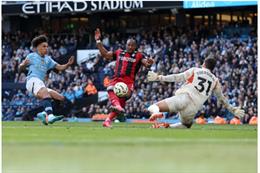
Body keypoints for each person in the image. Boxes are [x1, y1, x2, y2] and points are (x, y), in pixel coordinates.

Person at [147, 56, 245, 128]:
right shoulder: (215, 81)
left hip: (184, 98)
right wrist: (233, 110)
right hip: (193, 108)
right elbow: (222, 99)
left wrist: (159, 77)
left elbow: (177, 77)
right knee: (186, 125)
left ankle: (158, 112)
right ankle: (167, 127)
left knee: (153, 107)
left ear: (204, 64)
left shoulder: (195, 70)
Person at [95, 28, 154, 127]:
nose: (130, 47)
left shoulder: (139, 56)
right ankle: (108, 120)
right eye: (128, 45)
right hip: (116, 79)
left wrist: (149, 63)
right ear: (126, 45)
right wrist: (98, 41)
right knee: (111, 90)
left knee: (121, 101)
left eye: (132, 45)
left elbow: (146, 64)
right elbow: (105, 54)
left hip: (128, 82)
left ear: (135, 46)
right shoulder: (119, 52)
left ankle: (117, 111)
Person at [19, 35, 74, 125]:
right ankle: (50, 116)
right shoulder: (31, 56)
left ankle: (43, 114)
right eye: (44, 46)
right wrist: (23, 65)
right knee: (46, 94)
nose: (46, 48)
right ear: (38, 47)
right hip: (32, 80)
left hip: (40, 84)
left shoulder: (48, 60)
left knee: (60, 98)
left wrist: (68, 64)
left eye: (47, 46)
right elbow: (20, 69)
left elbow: (59, 67)